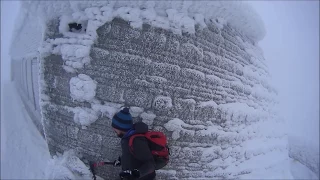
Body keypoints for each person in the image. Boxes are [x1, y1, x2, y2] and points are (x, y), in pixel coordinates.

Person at [112, 107, 156, 180]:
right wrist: (121, 161)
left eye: (114, 128)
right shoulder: (126, 137)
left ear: (120, 127)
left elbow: (151, 164)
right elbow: (131, 155)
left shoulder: (137, 141)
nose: (113, 130)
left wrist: (136, 173)